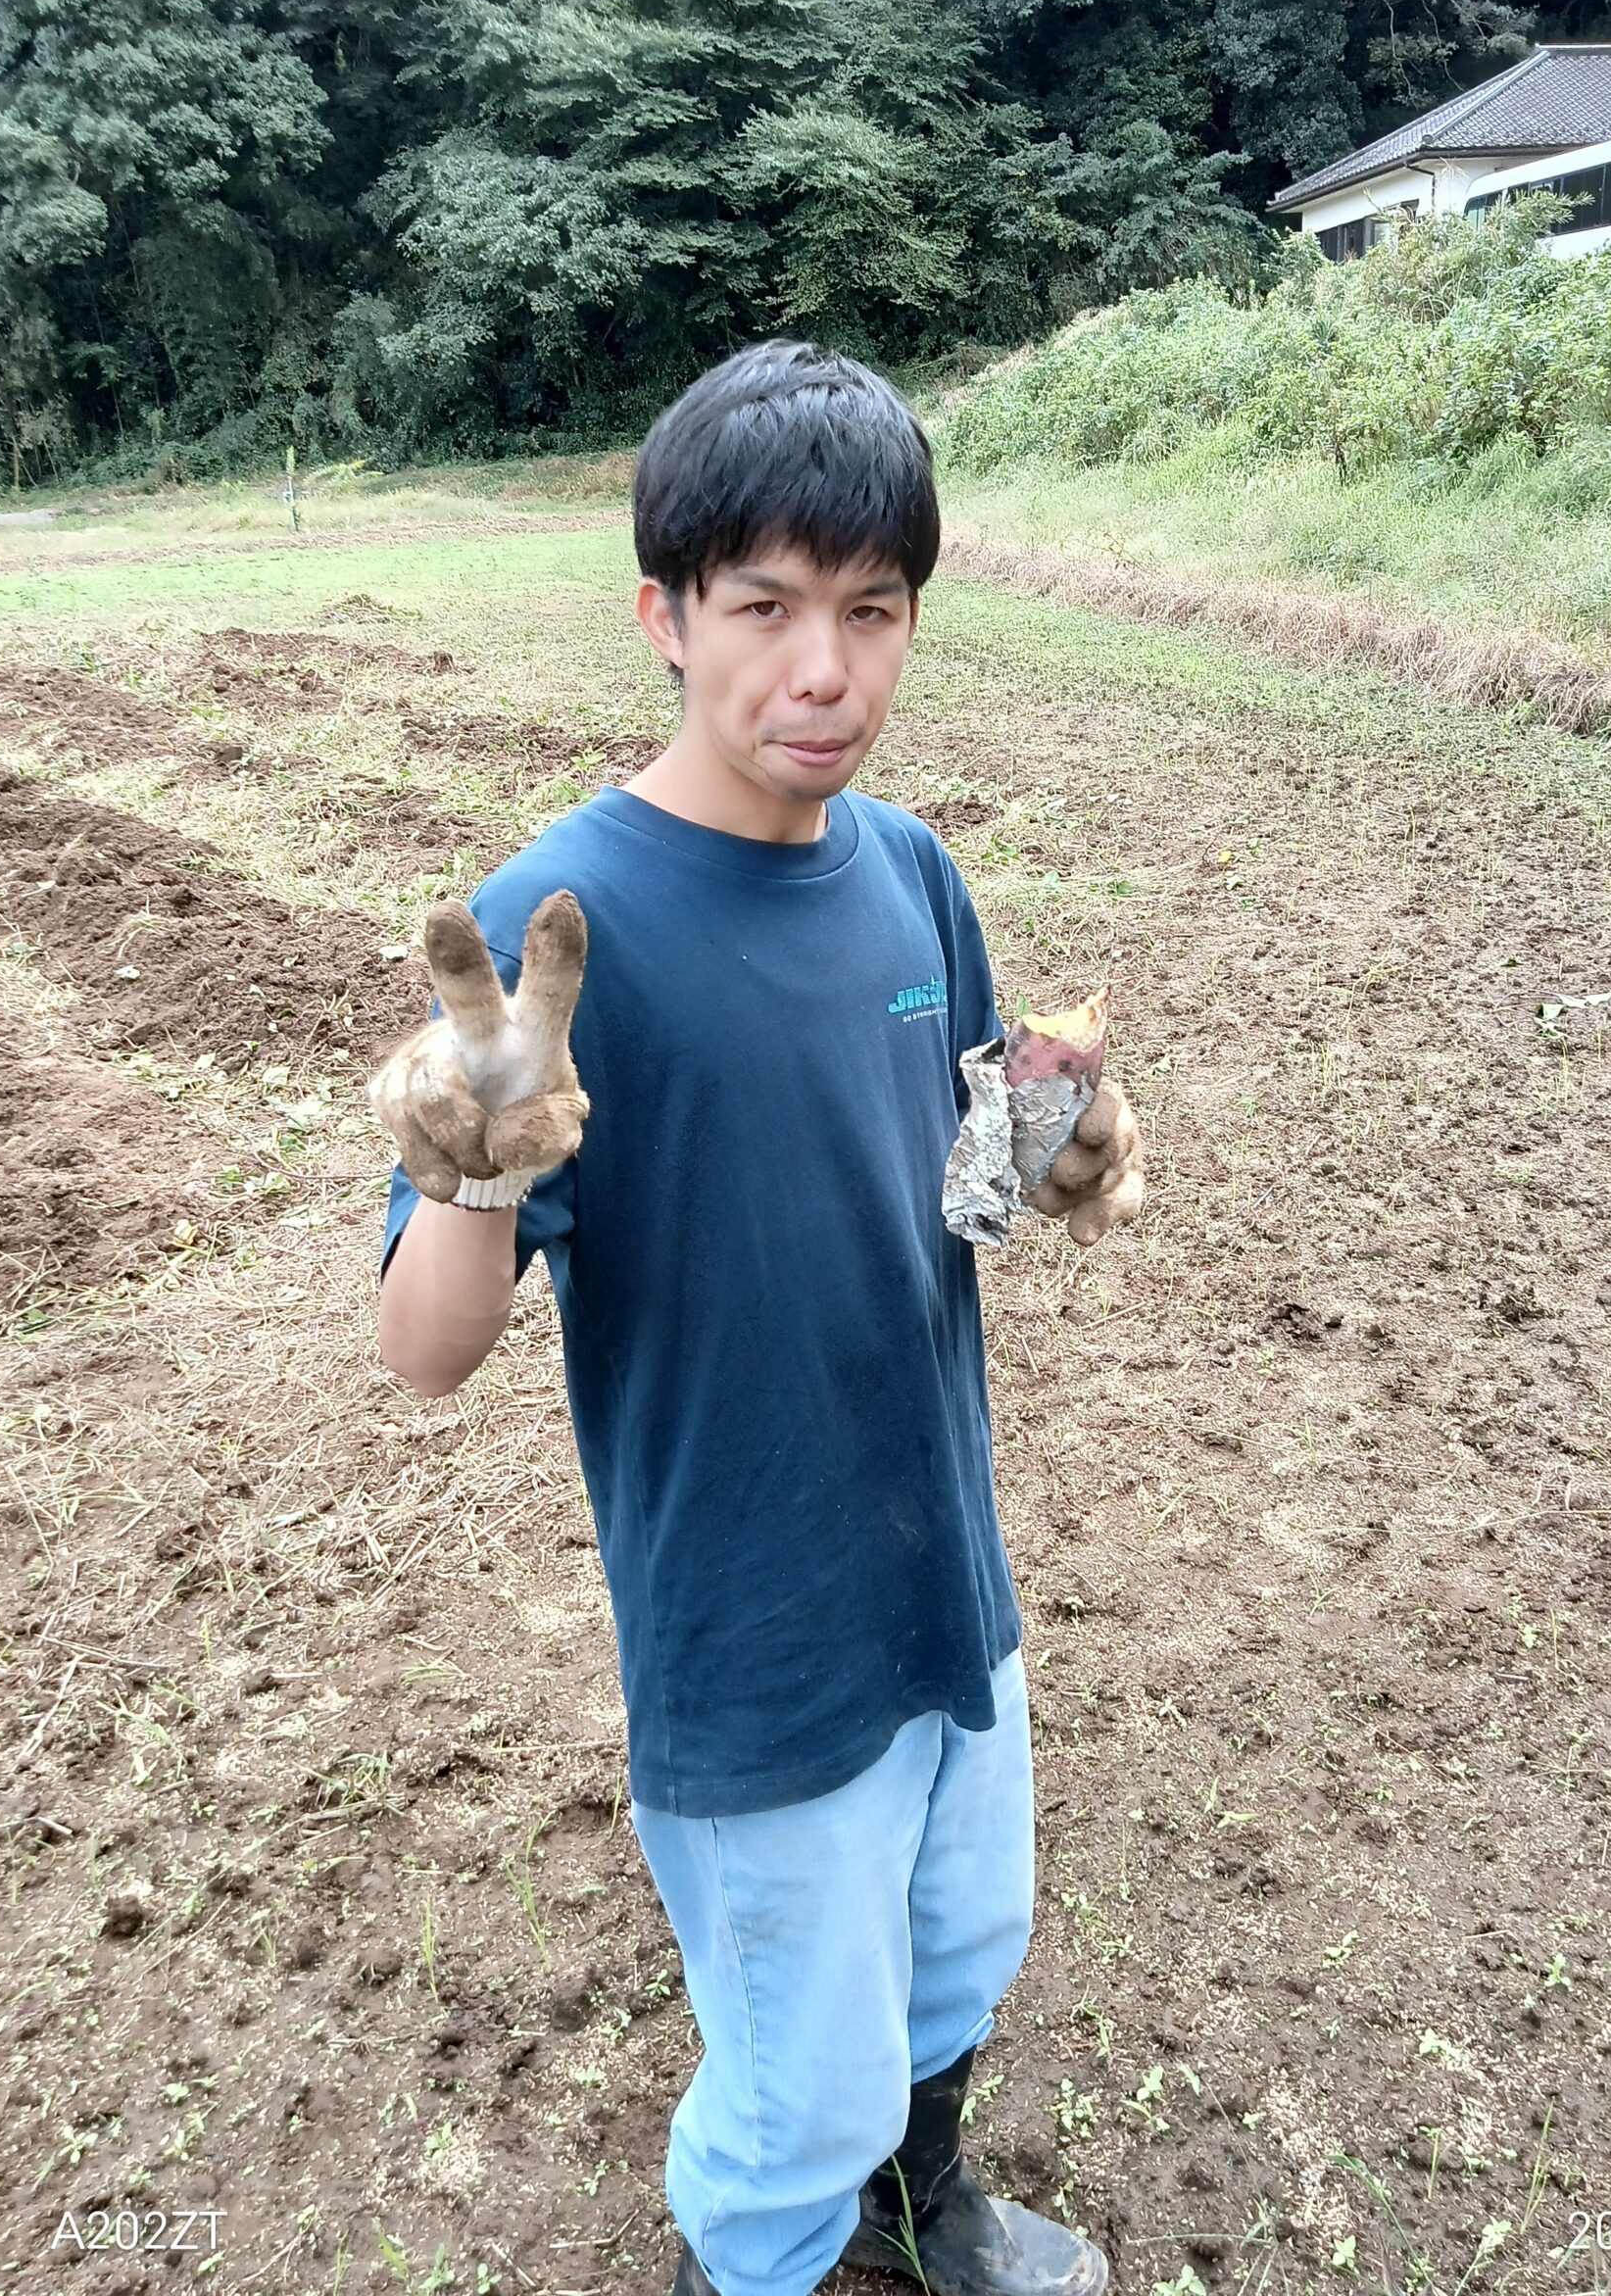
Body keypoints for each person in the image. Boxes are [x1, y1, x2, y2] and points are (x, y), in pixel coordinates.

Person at [370, 341, 1147, 2296]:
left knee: (963, 1938)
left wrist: (1064, 1150)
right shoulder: (563, 927)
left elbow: (963, 1175)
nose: (826, 671)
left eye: (872, 611)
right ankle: (771, 2254)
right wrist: (472, 1168)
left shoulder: (912, 873)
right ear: (665, 615)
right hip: (752, 1619)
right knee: (800, 2079)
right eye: (767, 609)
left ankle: (923, 2206)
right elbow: (424, 1349)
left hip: (941, 1558)